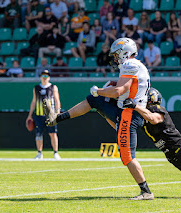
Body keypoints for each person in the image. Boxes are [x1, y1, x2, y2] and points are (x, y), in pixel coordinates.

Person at [43, 38, 154, 200]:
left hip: (129, 114)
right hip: (127, 111)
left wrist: (99, 90)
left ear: (125, 53)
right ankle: (58, 117)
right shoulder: (136, 65)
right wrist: (103, 91)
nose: (115, 58)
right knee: (94, 101)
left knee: (127, 156)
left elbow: (119, 91)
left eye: (117, 54)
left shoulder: (130, 65)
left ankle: (146, 192)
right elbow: (125, 87)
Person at [26, 70, 61, 160]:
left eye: (46, 76)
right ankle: (39, 153)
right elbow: (33, 102)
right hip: (38, 114)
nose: (45, 78)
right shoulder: (36, 88)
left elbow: (57, 100)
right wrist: (30, 115)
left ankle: (56, 153)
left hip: (50, 115)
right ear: (40, 77)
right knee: (38, 134)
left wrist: (58, 112)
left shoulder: (53, 87)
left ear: (49, 77)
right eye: (43, 76)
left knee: (53, 134)